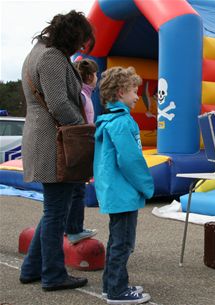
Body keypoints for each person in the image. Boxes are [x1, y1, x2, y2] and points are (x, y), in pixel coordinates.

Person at [19, 11, 95, 291]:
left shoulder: (38, 51)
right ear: (72, 36)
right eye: (82, 42)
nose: (82, 48)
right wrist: (84, 130)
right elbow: (59, 104)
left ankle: (31, 268)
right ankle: (52, 274)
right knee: (55, 213)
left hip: (46, 138)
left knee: (54, 209)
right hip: (54, 143)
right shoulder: (51, 57)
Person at [95, 66, 154, 304]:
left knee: (117, 240)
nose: (137, 95)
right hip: (123, 192)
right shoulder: (121, 122)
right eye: (133, 90)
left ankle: (111, 285)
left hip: (115, 191)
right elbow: (130, 160)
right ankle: (118, 291)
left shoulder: (109, 120)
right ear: (120, 92)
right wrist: (147, 185)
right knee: (124, 242)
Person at [64, 59, 99, 244]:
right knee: (77, 191)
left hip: (78, 146)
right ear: (89, 76)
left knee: (74, 191)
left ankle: (69, 227)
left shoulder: (83, 95)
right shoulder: (83, 96)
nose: (97, 78)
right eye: (96, 75)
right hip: (79, 147)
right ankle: (74, 229)